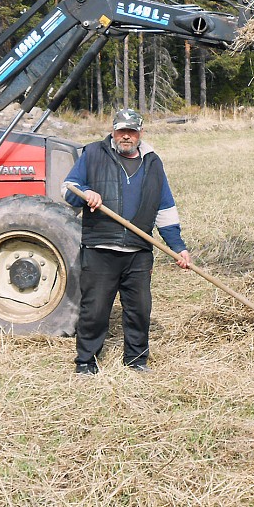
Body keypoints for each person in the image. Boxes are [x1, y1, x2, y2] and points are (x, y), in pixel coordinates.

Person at [63, 108, 192, 375]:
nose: (126, 136)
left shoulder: (153, 162)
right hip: (101, 248)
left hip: (138, 250)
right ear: (113, 131)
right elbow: (67, 188)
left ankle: (136, 360)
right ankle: (86, 362)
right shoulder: (94, 154)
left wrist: (178, 246)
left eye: (131, 131)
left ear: (140, 133)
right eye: (121, 131)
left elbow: (165, 207)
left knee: (139, 309)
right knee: (95, 309)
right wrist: (86, 192)